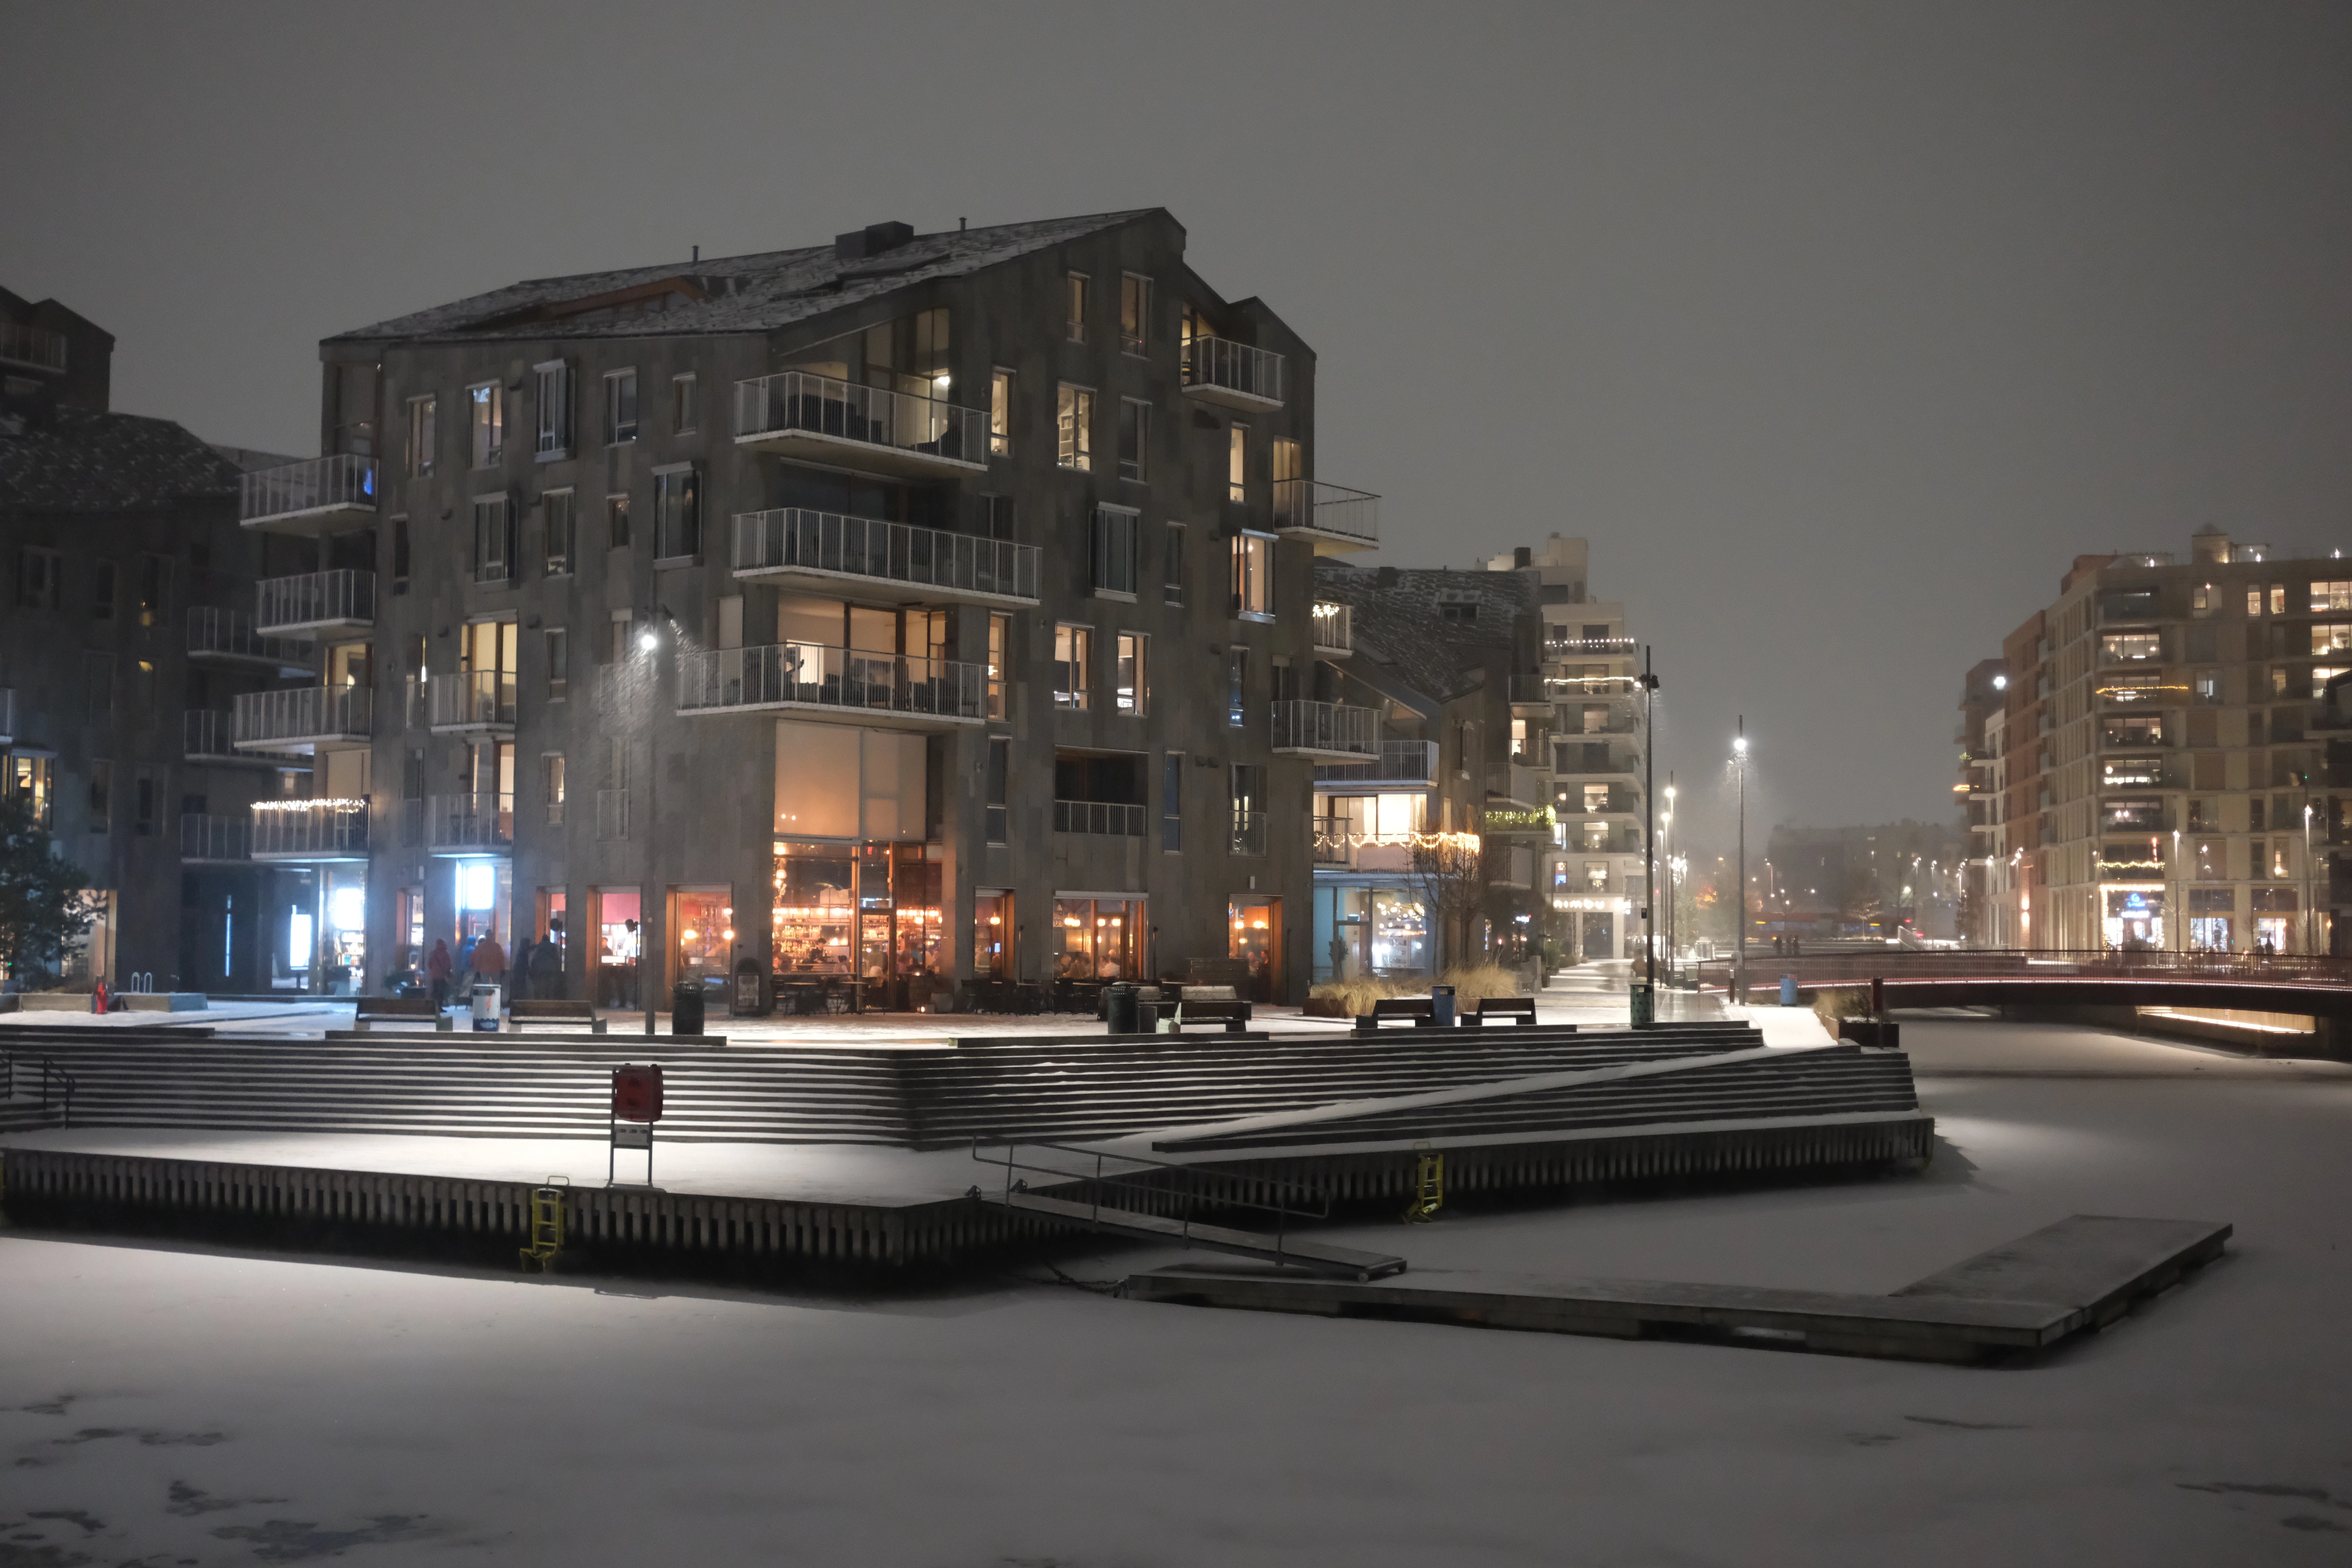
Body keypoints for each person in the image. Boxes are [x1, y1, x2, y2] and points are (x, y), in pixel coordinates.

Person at [530, 930, 565, 1000]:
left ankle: (543, 1001)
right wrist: (558, 969)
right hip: (552, 970)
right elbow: (557, 959)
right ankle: (549, 1001)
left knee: (542, 987)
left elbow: (535, 959)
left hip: (542, 970)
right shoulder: (553, 947)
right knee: (551, 988)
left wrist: (534, 969)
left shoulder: (540, 947)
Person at [472, 929, 509, 996]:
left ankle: (486, 1002)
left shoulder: (481, 947)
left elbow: (478, 960)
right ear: (492, 936)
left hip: (484, 971)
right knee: (496, 987)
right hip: (496, 970)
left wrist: (477, 970)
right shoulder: (497, 947)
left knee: (485, 987)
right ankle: (495, 1001)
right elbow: (501, 959)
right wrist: (503, 969)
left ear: (486, 936)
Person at [510, 934, 536, 1002]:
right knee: (521, 987)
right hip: (520, 972)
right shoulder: (523, 951)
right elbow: (525, 963)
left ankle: (517, 1000)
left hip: (519, 971)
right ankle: (519, 1001)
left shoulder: (521, 950)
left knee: (519, 987)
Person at [426, 940, 453, 1006]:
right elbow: (448, 965)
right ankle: (440, 1007)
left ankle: (435, 1007)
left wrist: (434, 971)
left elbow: (430, 964)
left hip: (434, 976)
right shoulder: (445, 954)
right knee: (441, 992)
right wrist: (448, 973)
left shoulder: (433, 953)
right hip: (442, 976)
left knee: (435, 991)